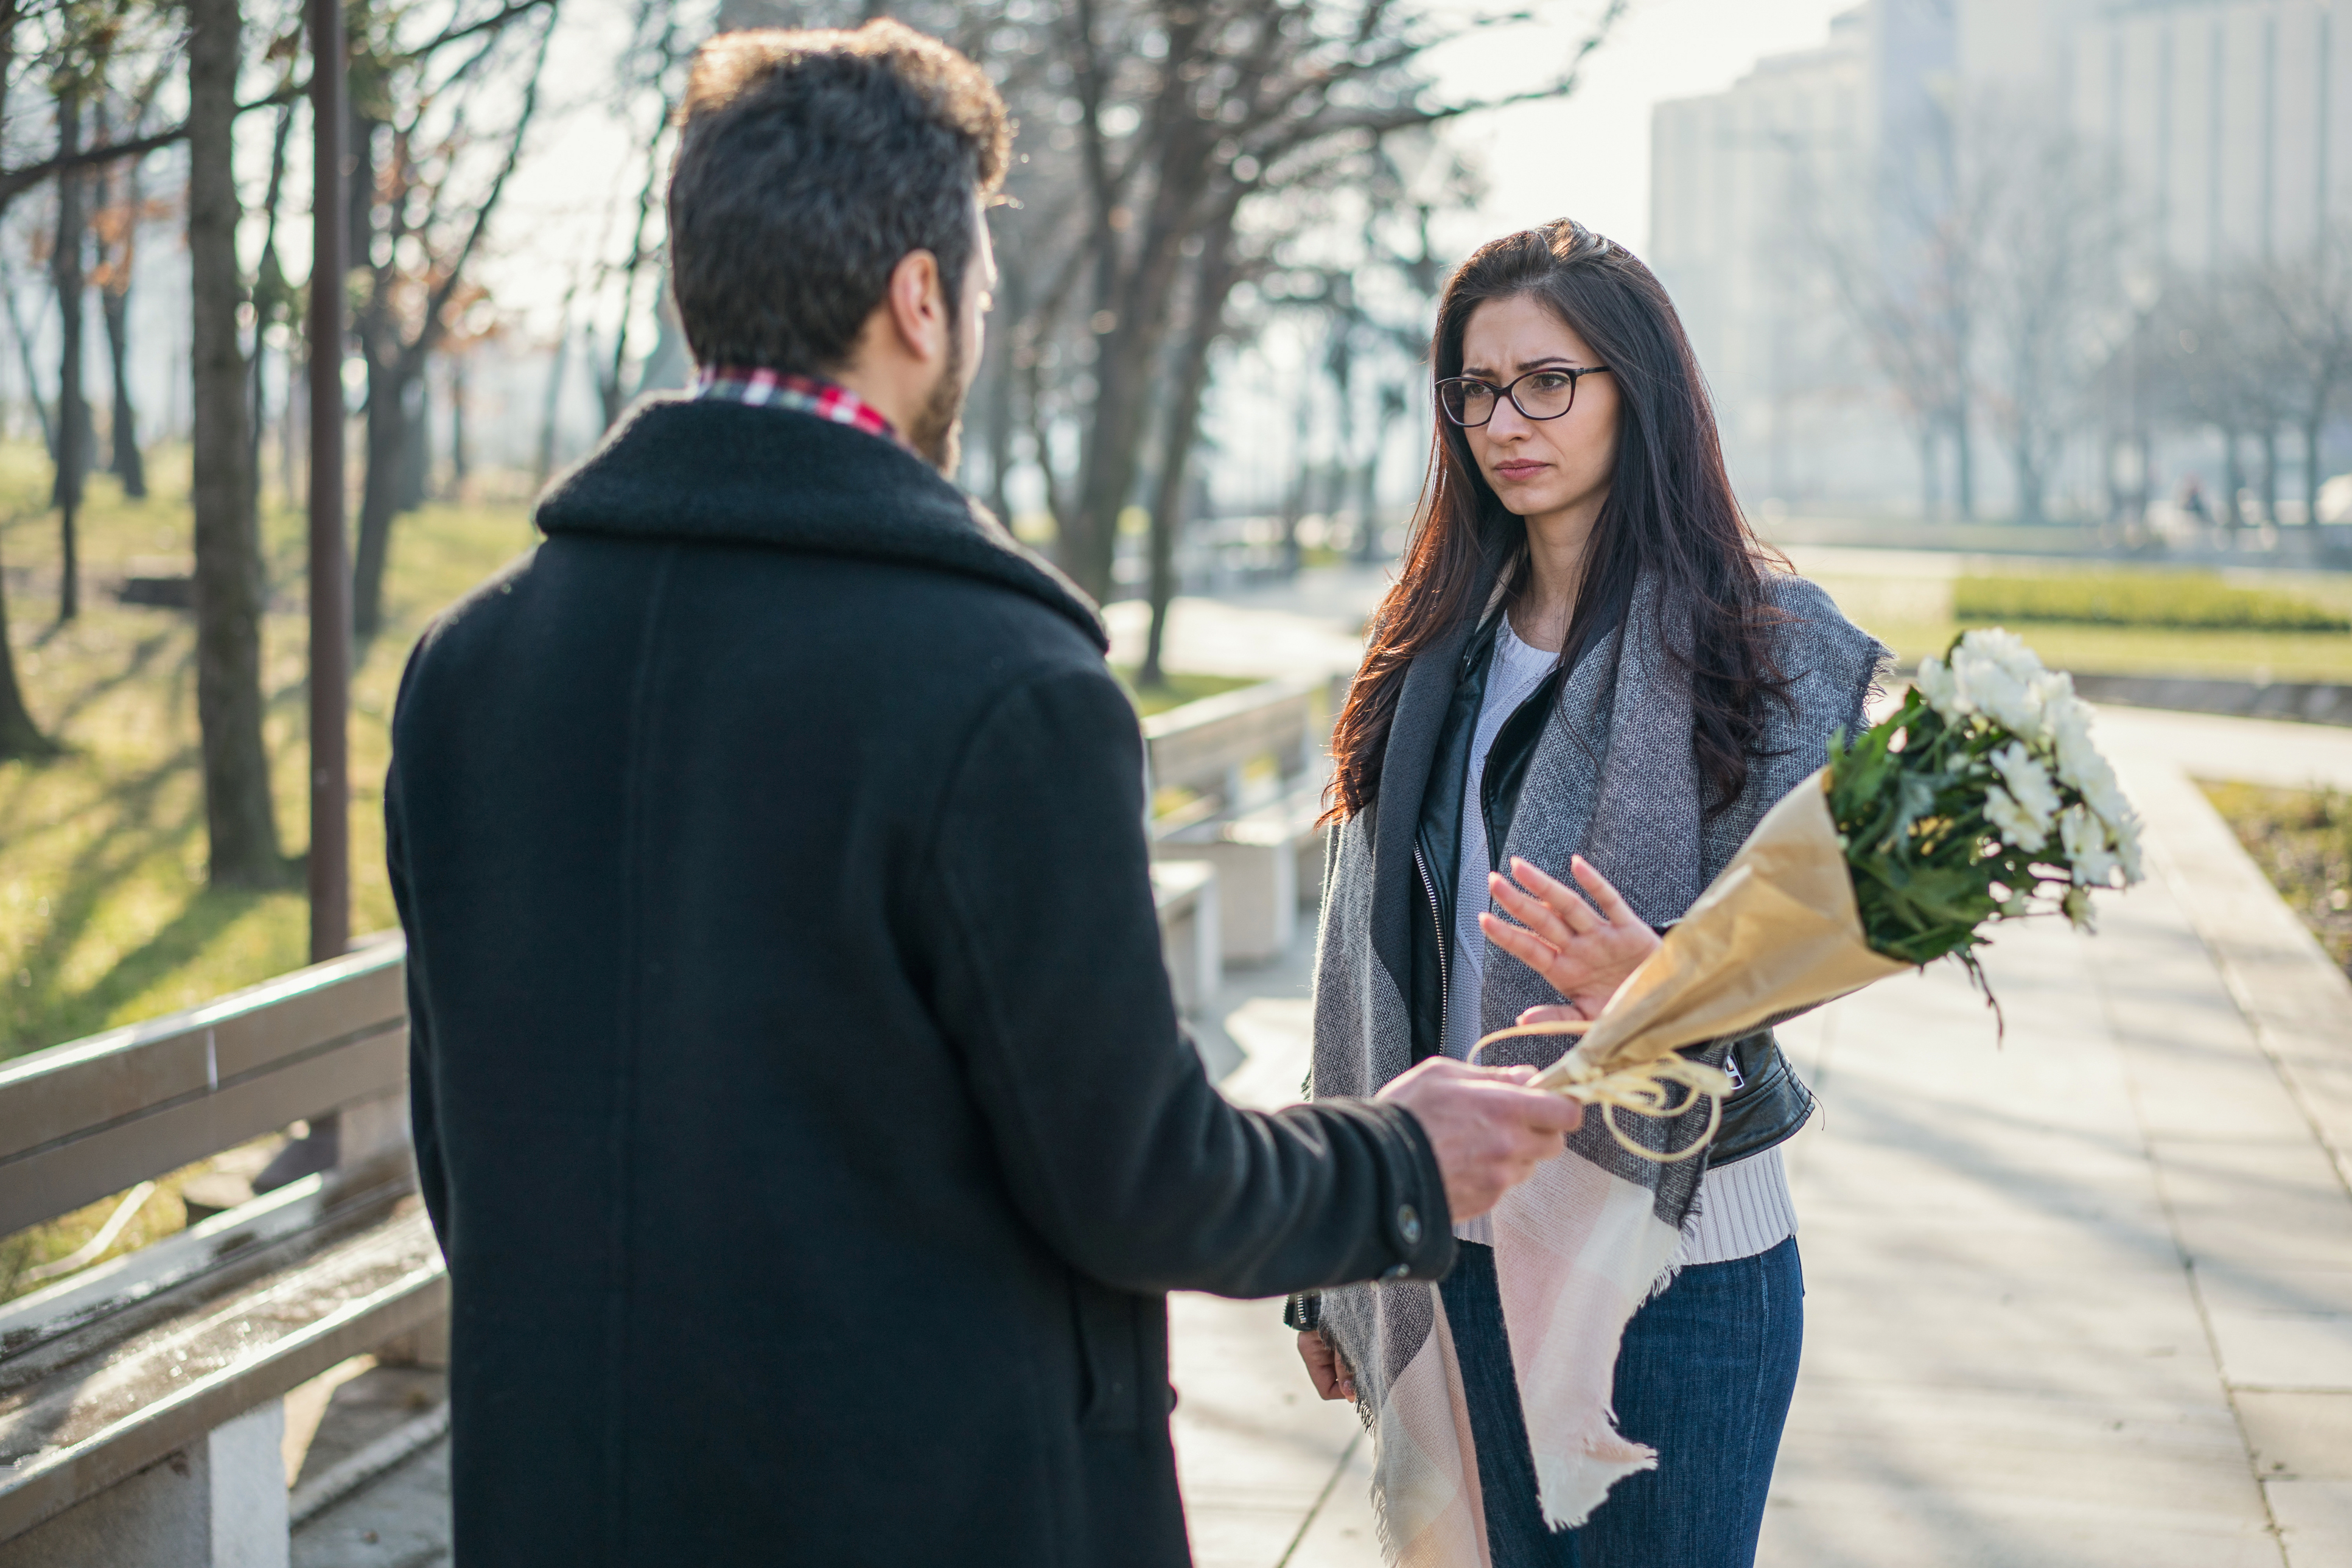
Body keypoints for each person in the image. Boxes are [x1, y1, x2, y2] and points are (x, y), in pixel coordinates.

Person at [383, 22, 1586, 1568]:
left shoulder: (469, 666)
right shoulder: (1003, 683)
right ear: (921, 298)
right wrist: (1400, 1158)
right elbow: (1141, 1183)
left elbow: (461, 1156)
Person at [1289, 220, 1883, 1567]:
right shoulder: (1430, 649)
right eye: (1478, 389)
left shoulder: (1767, 645)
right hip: (1459, 1244)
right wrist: (1336, 1250)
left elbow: (1809, 934)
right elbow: (1359, 961)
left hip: (1679, 1263)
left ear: (1639, 387)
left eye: (1548, 381)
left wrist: (1662, 985)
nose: (1508, 420)